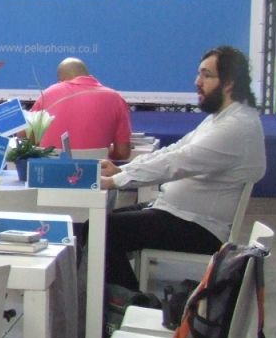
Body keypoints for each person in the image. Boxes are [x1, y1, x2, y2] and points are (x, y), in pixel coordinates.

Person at [98, 45, 265, 290]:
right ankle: (121, 301)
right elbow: (174, 150)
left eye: (206, 75)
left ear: (229, 83)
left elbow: (177, 163)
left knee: (103, 230)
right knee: (98, 223)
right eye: (199, 74)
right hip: (177, 213)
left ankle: (131, 304)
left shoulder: (236, 127)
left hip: (199, 226)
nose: (197, 82)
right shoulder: (222, 118)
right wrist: (122, 171)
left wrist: (117, 181)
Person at [30, 57, 131, 160]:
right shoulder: (116, 99)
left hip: (48, 167)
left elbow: (27, 140)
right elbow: (122, 153)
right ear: (88, 75)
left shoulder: (47, 94)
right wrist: (105, 152)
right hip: (96, 169)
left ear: (61, 80)